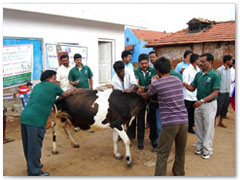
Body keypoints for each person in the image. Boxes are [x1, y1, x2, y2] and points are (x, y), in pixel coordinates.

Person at [137, 57, 188, 176]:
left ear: (158, 71)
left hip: (170, 122)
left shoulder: (157, 83)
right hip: (184, 120)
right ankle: (179, 172)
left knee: (162, 154)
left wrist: (141, 93)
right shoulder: (176, 79)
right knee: (180, 150)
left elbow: (147, 95)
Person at [20, 70, 76, 176]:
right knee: (35, 146)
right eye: (54, 79)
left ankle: (33, 166)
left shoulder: (37, 86)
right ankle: (35, 172)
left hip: (25, 117)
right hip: (35, 120)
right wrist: (73, 89)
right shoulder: (53, 87)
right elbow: (65, 94)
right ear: (48, 79)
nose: (56, 81)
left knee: (28, 146)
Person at [183, 53, 221, 159]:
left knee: (208, 127)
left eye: (204, 61)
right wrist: (186, 85)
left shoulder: (215, 75)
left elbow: (215, 92)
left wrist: (203, 100)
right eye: (200, 61)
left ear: (210, 62)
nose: (201, 63)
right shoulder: (199, 75)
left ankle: (207, 149)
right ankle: (199, 145)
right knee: (199, 126)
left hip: (209, 104)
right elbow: (192, 88)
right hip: (198, 104)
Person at [131, 53, 158, 151]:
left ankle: (154, 140)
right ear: (139, 63)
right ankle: (140, 141)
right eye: (142, 64)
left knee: (152, 120)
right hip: (139, 98)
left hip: (151, 98)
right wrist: (140, 89)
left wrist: (144, 90)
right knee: (140, 120)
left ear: (148, 62)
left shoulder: (153, 70)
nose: (144, 65)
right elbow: (136, 83)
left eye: (146, 63)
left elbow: (153, 83)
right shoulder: (136, 71)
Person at [182, 53, 200, 134]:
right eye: (199, 60)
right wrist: (191, 88)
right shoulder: (187, 70)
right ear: (195, 60)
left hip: (195, 95)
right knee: (186, 112)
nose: (200, 61)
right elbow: (185, 82)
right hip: (187, 95)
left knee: (193, 113)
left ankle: (190, 127)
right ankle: (184, 128)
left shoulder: (198, 70)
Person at [215, 55, 233, 128]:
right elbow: (217, 81)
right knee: (218, 107)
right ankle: (213, 122)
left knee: (224, 107)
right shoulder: (219, 70)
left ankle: (220, 122)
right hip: (221, 92)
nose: (232, 61)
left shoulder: (229, 69)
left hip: (227, 91)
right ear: (227, 61)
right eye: (231, 60)